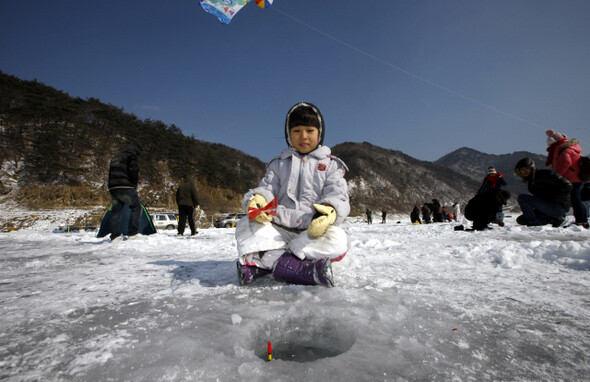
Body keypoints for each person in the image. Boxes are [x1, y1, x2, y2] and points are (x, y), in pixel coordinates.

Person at [235, 102, 350, 287]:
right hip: (280, 227)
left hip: (313, 231)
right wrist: (257, 199)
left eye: (310, 130)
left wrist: (330, 212)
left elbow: (338, 193)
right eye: (296, 131)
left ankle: (265, 262)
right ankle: (297, 267)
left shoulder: (332, 165)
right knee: (244, 225)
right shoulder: (278, 164)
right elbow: (267, 188)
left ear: (319, 133)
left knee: (338, 240)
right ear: (289, 134)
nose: (303, 136)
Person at [545, 129, 588, 227]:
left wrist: (558, 174)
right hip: (576, 177)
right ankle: (583, 220)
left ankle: (581, 221)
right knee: (577, 199)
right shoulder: (569, 147)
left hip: (571, 178)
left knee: (576, 199)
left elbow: (566, 163)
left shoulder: (562, 148)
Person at [514, 157, 572, 227]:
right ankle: (554, 220)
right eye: (522, 170)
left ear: (532, 168)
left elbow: (568, 185)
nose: (524, 171)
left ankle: (535, 222)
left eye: (526, 168)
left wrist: (555, 200)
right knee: (521, 220)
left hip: (558, 207)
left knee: (522, 197)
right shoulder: (531, 182)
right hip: (547, 208)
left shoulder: (545, 174)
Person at [107, 142, 143, 242]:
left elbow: (110, 173)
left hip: (113, 188)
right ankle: (133, 233)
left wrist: (111, 187)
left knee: (116, 211)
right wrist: (134, 184)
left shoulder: (115, 157)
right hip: (126, 187)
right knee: (136, 207)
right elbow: (134, 170)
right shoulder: (131, 156)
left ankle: (115, 236)